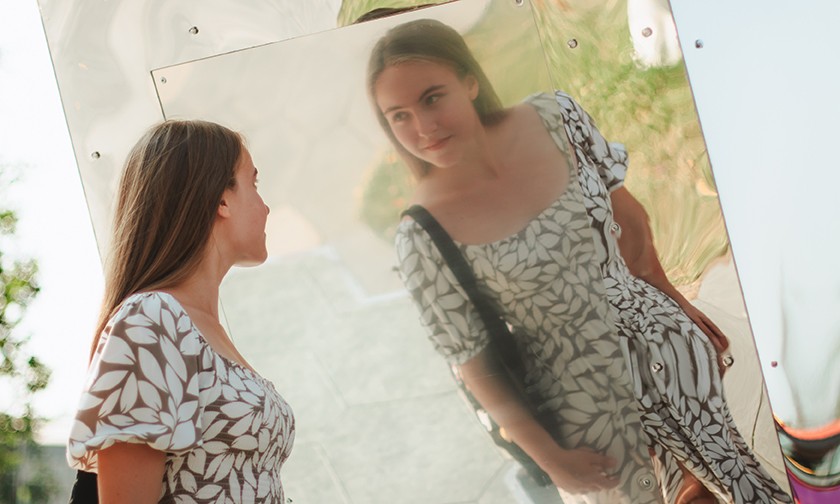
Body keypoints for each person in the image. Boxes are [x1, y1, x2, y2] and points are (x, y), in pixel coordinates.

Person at [367, 18, 792, 504]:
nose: (423, 128)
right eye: (399, 116)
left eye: (432, 98)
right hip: (589, 409)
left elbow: (627, 217)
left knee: (748, 480)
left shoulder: (555, 117)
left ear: (469, 81)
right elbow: (475, 364)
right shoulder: (421, 236)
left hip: (667, 346)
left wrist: (674, 301)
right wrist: (549, 458)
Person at [66, 121, 294, 503]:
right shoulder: (152, 320)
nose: (265, 205)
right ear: (221, 199)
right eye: (253, 183)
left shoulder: (197, 327)